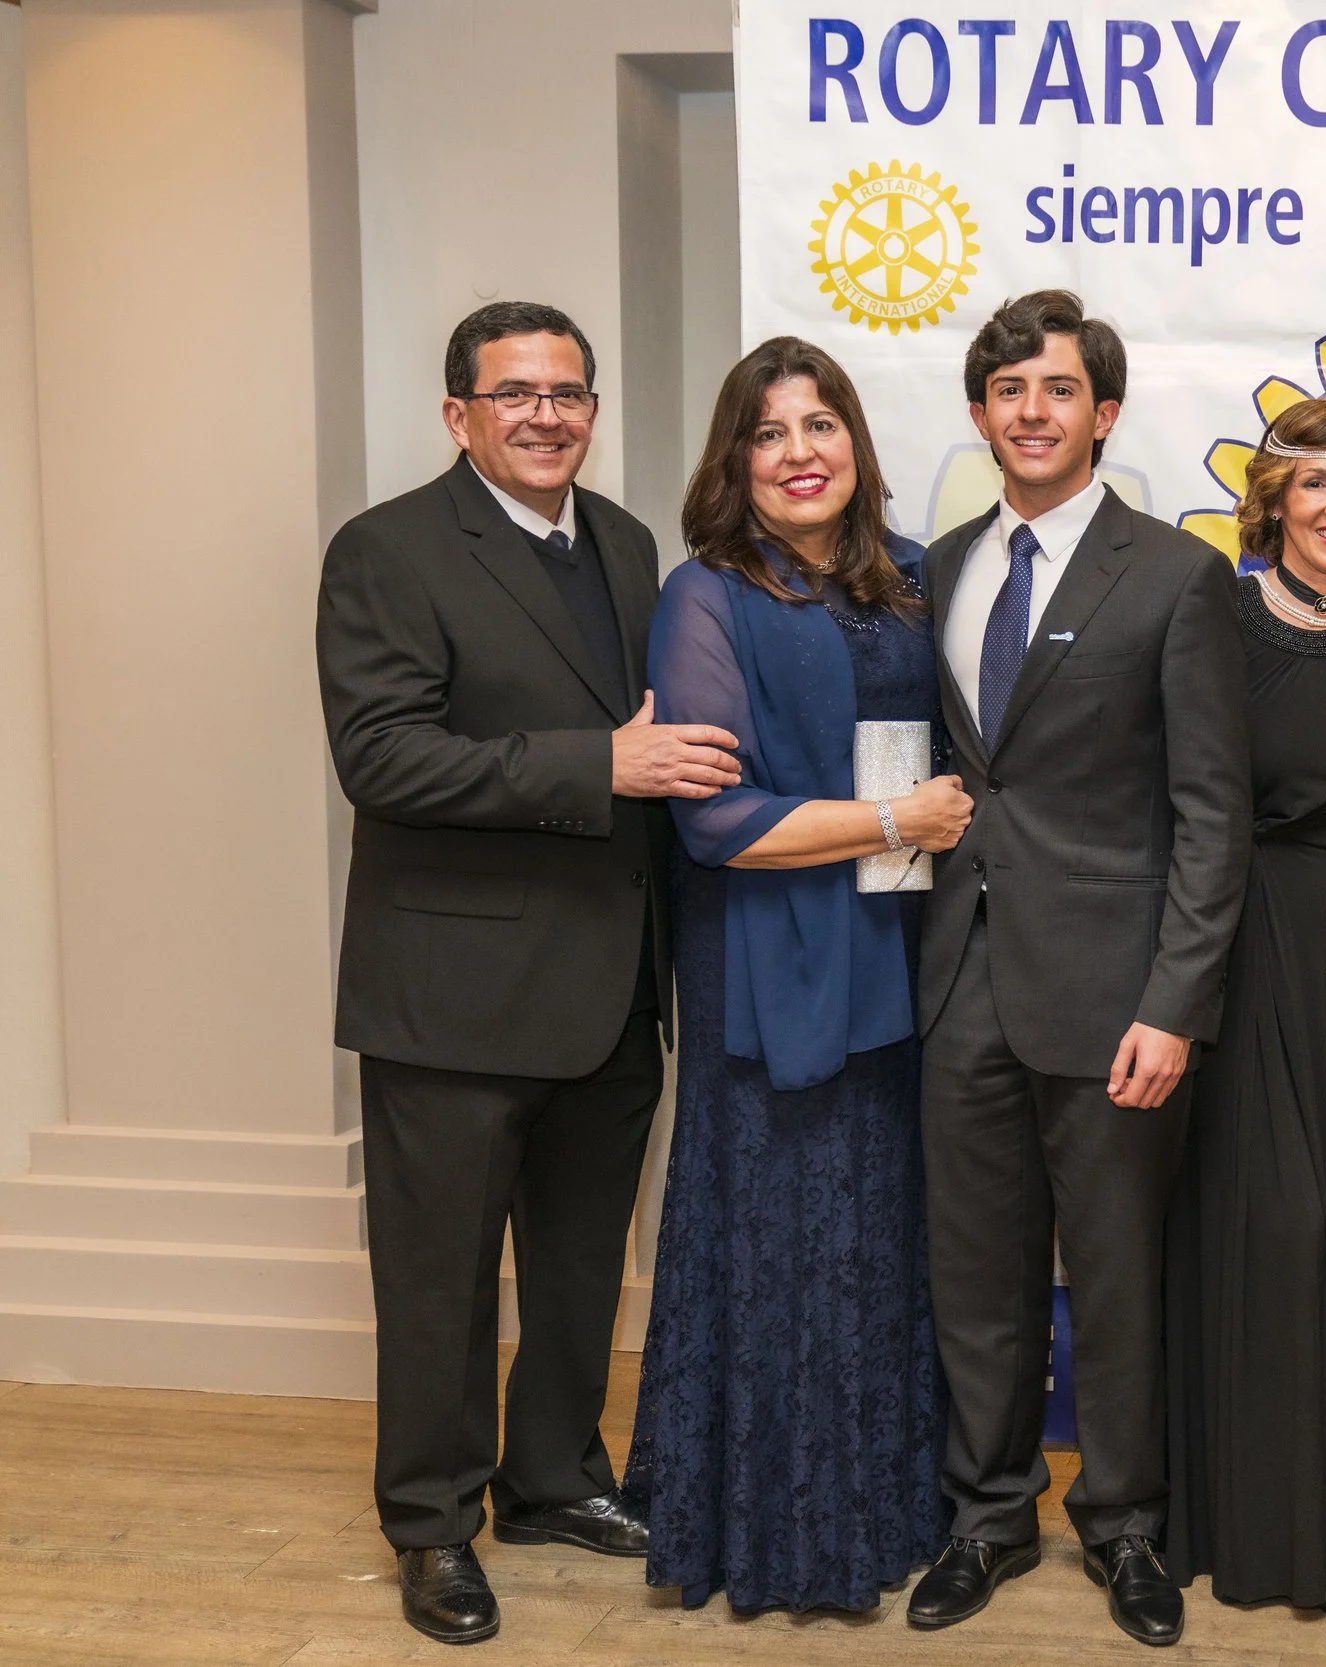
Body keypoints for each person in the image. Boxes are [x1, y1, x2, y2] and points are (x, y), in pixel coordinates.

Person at [317, 302, 744, 1645]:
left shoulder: (624, 542)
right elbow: (382, 756)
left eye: (567, 392)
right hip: (451, 992)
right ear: (460, 414)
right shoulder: (386, 549)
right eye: (515, 393)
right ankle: (432, 1521)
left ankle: (552, 1476)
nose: (546, 415)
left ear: (592, 411)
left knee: (576, 1262)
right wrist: (598, 763)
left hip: (610, 984)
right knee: (438, 1282)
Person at [906, 290, 1252, 1650]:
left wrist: (1175, 1004)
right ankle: (988, 1514)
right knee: (975, 1276)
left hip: (1116, 1000)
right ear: (979, 411)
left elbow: (1213, 815)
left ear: (1102, 412)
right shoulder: (940, 565)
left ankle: (1124, 1524)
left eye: (1057, 388)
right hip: (957, 981)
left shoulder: (1173, 574)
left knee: (1115, 1280)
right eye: (1007, 389)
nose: (1031, 410)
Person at [620, 338, 975, 1613]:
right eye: (768, 433)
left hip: (906, 945)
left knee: (882, 1230)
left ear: (855, 443)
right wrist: (892, 822)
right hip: (771, 955)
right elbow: (715, 820)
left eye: (819, 424)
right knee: (780, 1233)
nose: (799, 452)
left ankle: (886, 1505)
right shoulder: (706, 594)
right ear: (737, 461)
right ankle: (775, 1529)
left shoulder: (917, 578)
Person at [1163, 398, 1326, 1632]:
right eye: (1311, 482)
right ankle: (1255, 1518)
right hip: (1236, 930)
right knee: (1271, 1223)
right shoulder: (1213, 614)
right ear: (1270, 501)